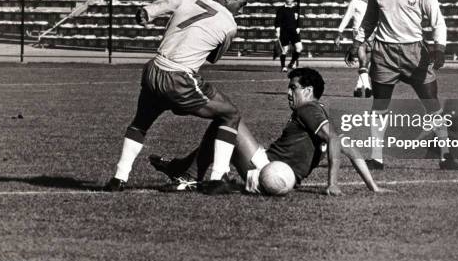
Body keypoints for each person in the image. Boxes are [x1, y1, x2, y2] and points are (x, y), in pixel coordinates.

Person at [105, 0, 256, 194]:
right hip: (179, 78)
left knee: (140, 123)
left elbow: (158, 7)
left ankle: (119, 178)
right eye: (241, 5)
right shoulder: (229, 25)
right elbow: (213, 58)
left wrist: (147, 13)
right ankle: (218, 178)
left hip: (154, 70)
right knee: (230, 114)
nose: (241, 10)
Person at [149, 68, 384, 196]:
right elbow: (351, 150)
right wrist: (372, 186)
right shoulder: (322, 113)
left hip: (265, 168)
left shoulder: (309, 109)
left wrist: (332, 183)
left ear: (309, 91)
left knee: (227, 119)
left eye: (293, 88)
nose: (288, 93)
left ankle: (187, 173)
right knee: (225, 132)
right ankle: (183, 169)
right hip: (278, 178)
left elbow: (332, 139)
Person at [347, 0, 458, 171]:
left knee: (432, 104)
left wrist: (439, 48)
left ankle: (446, 156)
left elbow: (438, 21)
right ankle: (376, 158)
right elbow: (370, 18)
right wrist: (357, 42)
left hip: (415, 53)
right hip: (384, 53)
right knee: (379, 106)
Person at [335, 0, 372, 98]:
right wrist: (339, 32)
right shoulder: (355, 2)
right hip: (358, 34)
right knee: (363, 61)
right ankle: (367, 87)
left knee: (367, 63)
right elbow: (347, 17)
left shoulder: (374, 2)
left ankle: (357, 87)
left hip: (372, 35)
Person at [275, 0, 303, 72]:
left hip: (294, 32)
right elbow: (277, 21)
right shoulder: (281, 9)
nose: (289, 0)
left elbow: (297, 19)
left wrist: (298, 27)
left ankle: (292, 63)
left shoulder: (296, 9)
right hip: (285, 32)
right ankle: (283, 67)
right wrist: (278, 31)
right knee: (285, 49)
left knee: (299, 48)